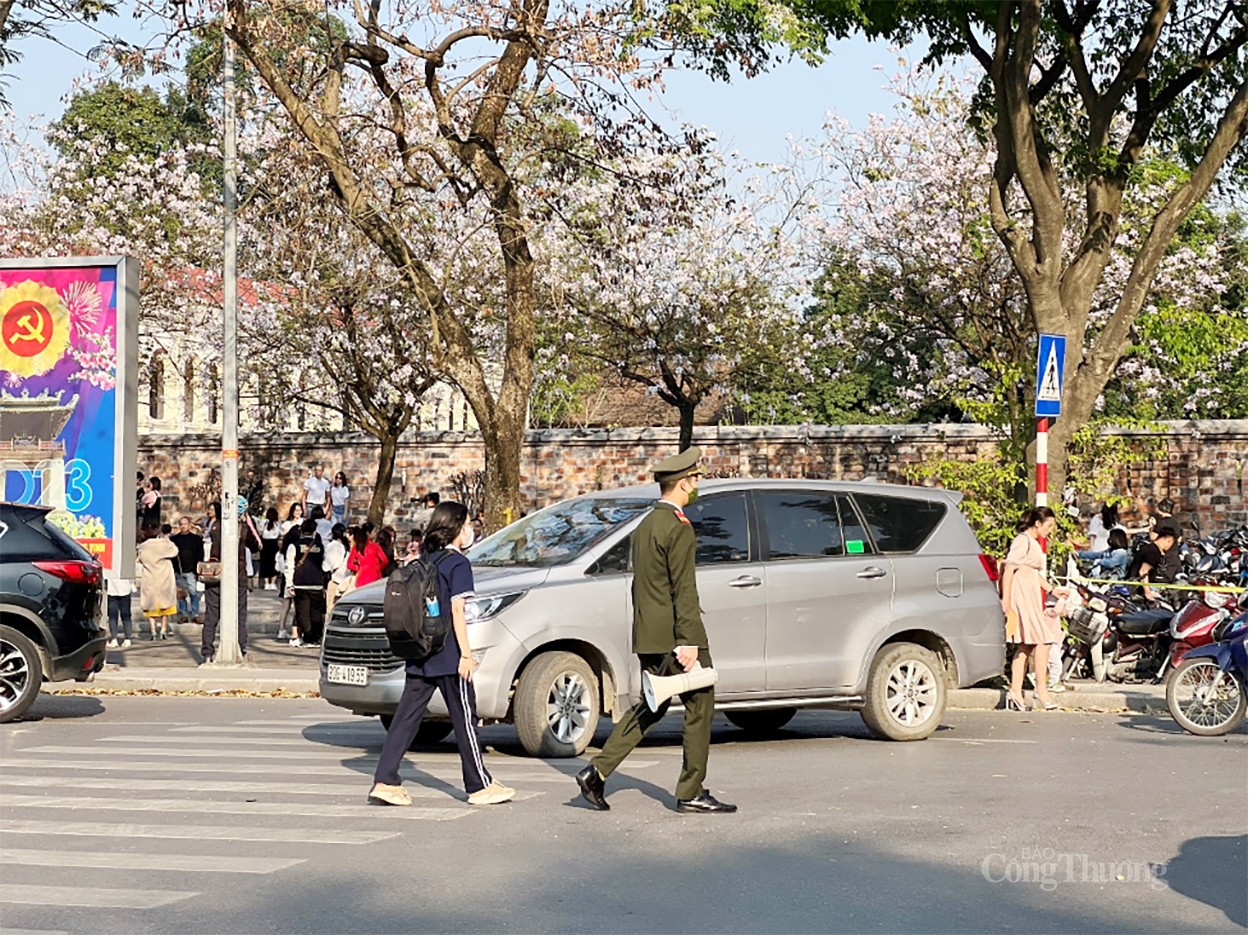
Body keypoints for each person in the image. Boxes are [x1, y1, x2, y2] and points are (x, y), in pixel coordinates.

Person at [576, 446, 735, 814]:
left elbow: (644, 586)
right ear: (682, 483)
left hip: (649, 632)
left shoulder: (646, 524)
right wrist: (689, 640)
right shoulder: (678, 528)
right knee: (701, 704)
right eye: (695, 480)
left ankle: (596, 772)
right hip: (676, 636)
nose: (697, 486)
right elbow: (684, 588)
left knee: (652, 705)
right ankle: (691, 791)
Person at [368, 501, 514, 808]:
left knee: (406, 719)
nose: (471, 529)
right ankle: (479, 785)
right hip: (449, 654)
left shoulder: (426, 558)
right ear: (457, 527)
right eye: (468, 524)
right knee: (465, 719)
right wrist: (466, 654)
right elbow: (457, 610)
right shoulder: (457, 563)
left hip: (420, 651)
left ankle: (385, 780)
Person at [1000, 507, 1069, 712]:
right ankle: (1041, 689)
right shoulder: (1023, 541)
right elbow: (1010, 568)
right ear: (1037, 524)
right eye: (1048, 526)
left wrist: (1052, 590)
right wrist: (1007, 599)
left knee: (1027, 645)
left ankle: (1015, 691)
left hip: (1029, 593)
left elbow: (1030, 571)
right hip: (1021, 595)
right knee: (1043, 639)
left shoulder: (1032, 543)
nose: (1049, 530)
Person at [201, 500, 261, 665]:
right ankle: (240, 648)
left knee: (211, 616)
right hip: (237, 576)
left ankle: (207, 652)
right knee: (239, 614)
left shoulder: (215, 526)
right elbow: (256, 546)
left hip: (215, 574)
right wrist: (248, 523)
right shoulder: (242, 528)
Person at [136, 523, 178, 640]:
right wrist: (167, 540)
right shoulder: (164, 544)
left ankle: (153, 631)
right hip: (164, 577)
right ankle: (163, 630)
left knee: (151, 606)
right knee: (165, 606)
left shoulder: (143, 546)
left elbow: (139, 560)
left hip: (150, 578)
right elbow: (175, 551)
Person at [288, 517, 326, 648]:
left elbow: (289, 566)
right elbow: (325, 565)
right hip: (316, 582)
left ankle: (307, 636)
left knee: (302, 612)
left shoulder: (295, 546)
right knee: (316, 612)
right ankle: (315, 637)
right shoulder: (320, 546)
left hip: (300, 582)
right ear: (314, 531)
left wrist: (289, 584)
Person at [1128, 522, 1179, 603]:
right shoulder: (1154, 553)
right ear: (1169, 540)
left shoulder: (1148, 548)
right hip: (1139, 589)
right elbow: (1143, 572)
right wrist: (1148, 593)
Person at [276, 503, 305, 640]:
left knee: (286, 604)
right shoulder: (293, 546)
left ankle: (282, 629)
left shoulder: (285, 550)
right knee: (293, 604)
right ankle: (291, 630)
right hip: (294, 577)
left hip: (288, 576)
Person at [170, 516, 204, 623]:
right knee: (181, 595)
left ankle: (195, 614)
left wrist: (197, 570)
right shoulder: (174, 539)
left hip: (191, 571)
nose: (183, 526)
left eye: (185, 524)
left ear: (189, 525)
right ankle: (183, 614)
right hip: (179, 571)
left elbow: (200, 555)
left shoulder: (196, 539)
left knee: (193, 593)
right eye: (181, 524)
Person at [324, 523, 355, 616]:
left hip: (335, 580)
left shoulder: (333, 546)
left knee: (330, 609)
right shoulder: (347, 548)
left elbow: (327, 566)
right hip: (346, 581)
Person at [105, 574, 134, 648]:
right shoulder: (126, 562)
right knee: (126, 616)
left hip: (112, 589)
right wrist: (132, 586)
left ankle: (114, 638)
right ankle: (127, 638)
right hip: (125, 588)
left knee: (113, 616)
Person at [259, 507, 282, 590]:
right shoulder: (277, 524)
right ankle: (273, 583)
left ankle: (266, 583)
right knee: (274, 563)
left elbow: (260, 531)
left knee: (265, 563)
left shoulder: (264, 522)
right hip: (273, 544)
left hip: (265, 543)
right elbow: (280, 533)